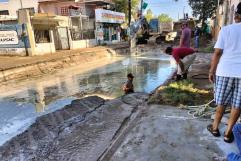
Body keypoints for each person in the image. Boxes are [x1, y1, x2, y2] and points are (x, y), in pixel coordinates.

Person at [207, 2, 241, 143]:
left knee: (221, 103)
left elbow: (217, 53)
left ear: (237, 15)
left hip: (225, 71)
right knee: (237, 105)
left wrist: (211, 71)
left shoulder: (226, 30)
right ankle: (228, 134)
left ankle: (215, 128)